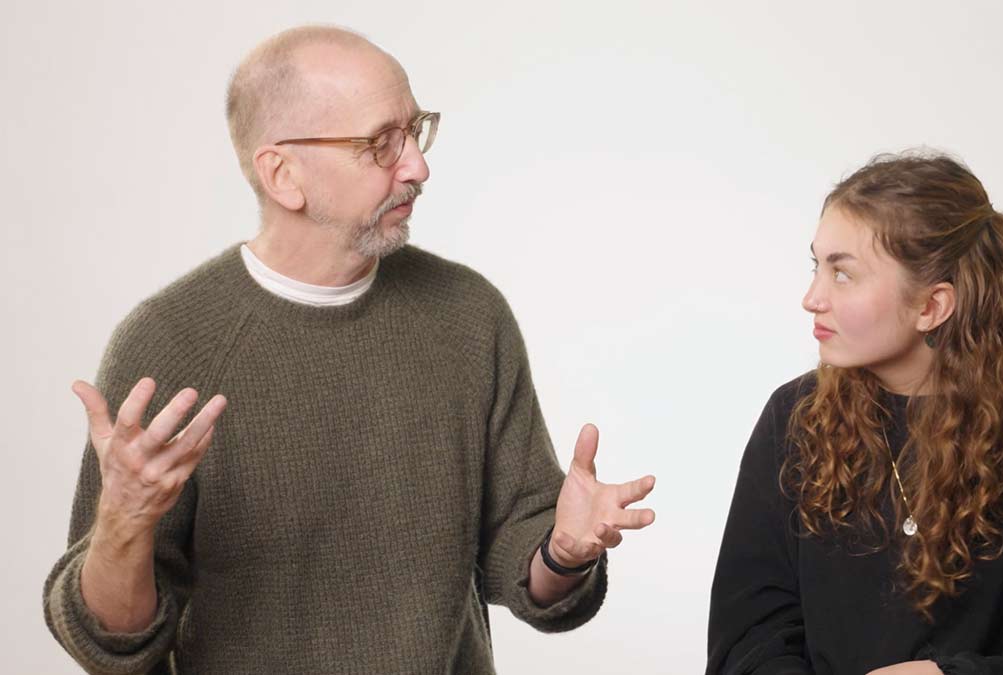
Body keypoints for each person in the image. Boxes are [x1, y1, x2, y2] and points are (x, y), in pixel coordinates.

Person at [43, 25, 656, 675]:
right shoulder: (169, 341)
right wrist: (123, 525)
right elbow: (111, 644)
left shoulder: (469, 316)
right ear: (283, 174)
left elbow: (525, 563)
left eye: (415, 131)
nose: (417, 165)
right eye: (380, 144)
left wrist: (564, 550)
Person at [706, 153, 1003, 674]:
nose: (811, 297)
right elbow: (746, 643)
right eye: (817, 265)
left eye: (843, 273)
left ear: (931, 306)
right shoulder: (793, 420)